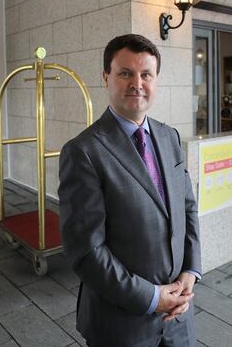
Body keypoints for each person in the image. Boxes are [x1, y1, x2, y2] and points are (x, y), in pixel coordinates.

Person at [58, 34, 202, 346]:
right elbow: (86, 250)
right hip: (121, 325)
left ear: (155, 80)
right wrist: (152, 298)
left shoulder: (170, 138)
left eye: (145, 74)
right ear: (106, 77)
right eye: (125, 73)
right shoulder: (83, 151)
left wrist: (189, 273)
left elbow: (188, 209)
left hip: (179, 316)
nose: (137, 83)